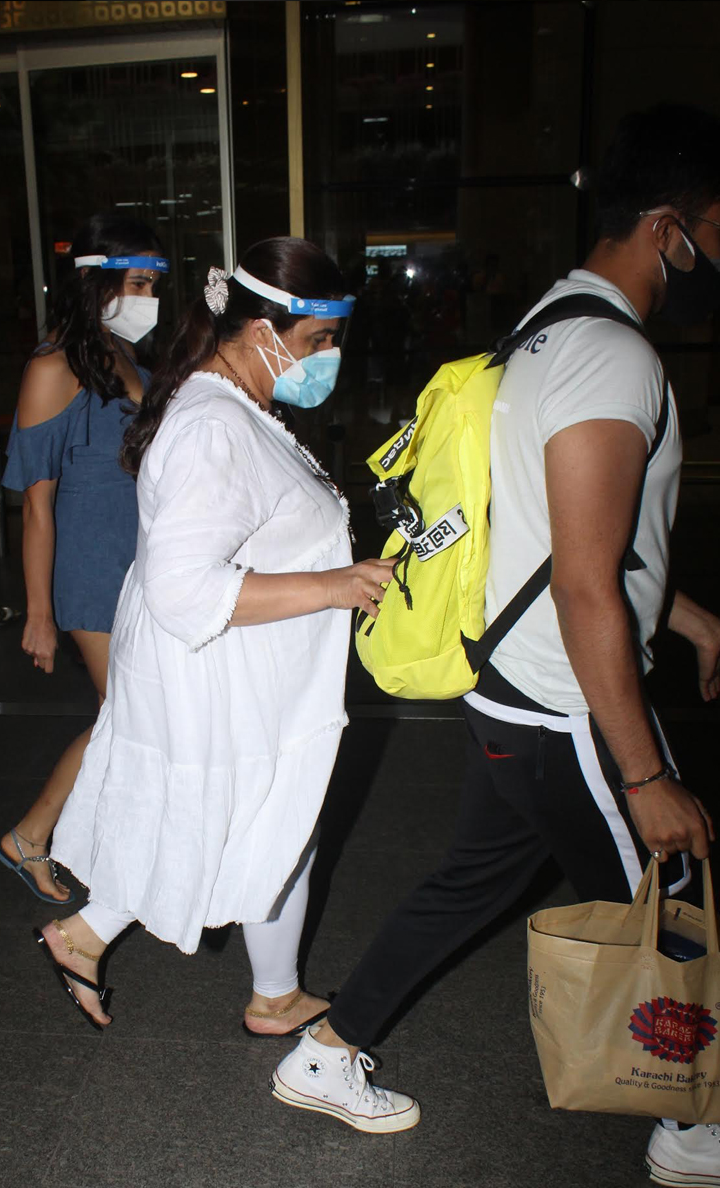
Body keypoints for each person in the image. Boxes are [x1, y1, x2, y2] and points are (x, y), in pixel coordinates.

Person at [272, 103, 720, 1179]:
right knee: (676, 906)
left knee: (468, 884)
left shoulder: (546, 324)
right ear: (668, 228)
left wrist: (683, 613)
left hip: (511, 691)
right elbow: (582, 580)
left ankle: (326, 1051)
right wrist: (644, 772)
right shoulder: (612, 357)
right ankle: (694, 1126)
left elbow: (553, 534)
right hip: (570, 708)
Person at [32, 237, 409, 1055]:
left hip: (235, 665)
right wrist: (336, 585)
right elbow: (183, 589)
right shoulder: (212, 425)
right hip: (220, 668)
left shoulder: (234, 404)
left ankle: (110, 943)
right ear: (263, 330)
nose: (330, 357)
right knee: (266, 822)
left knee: (238, 821)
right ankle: (267, 994)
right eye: (318, 340)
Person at [0, 214, 168, 903]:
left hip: (143, 561)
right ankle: (42, 836)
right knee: (130, 714)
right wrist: (38, 613)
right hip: (94, 567)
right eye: (138, 282)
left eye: (154, 283)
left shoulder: (123, 354)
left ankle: (38, 836)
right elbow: (36, 505)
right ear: (97, 282)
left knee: (126, 715)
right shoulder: (52, 366)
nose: (149, 296)